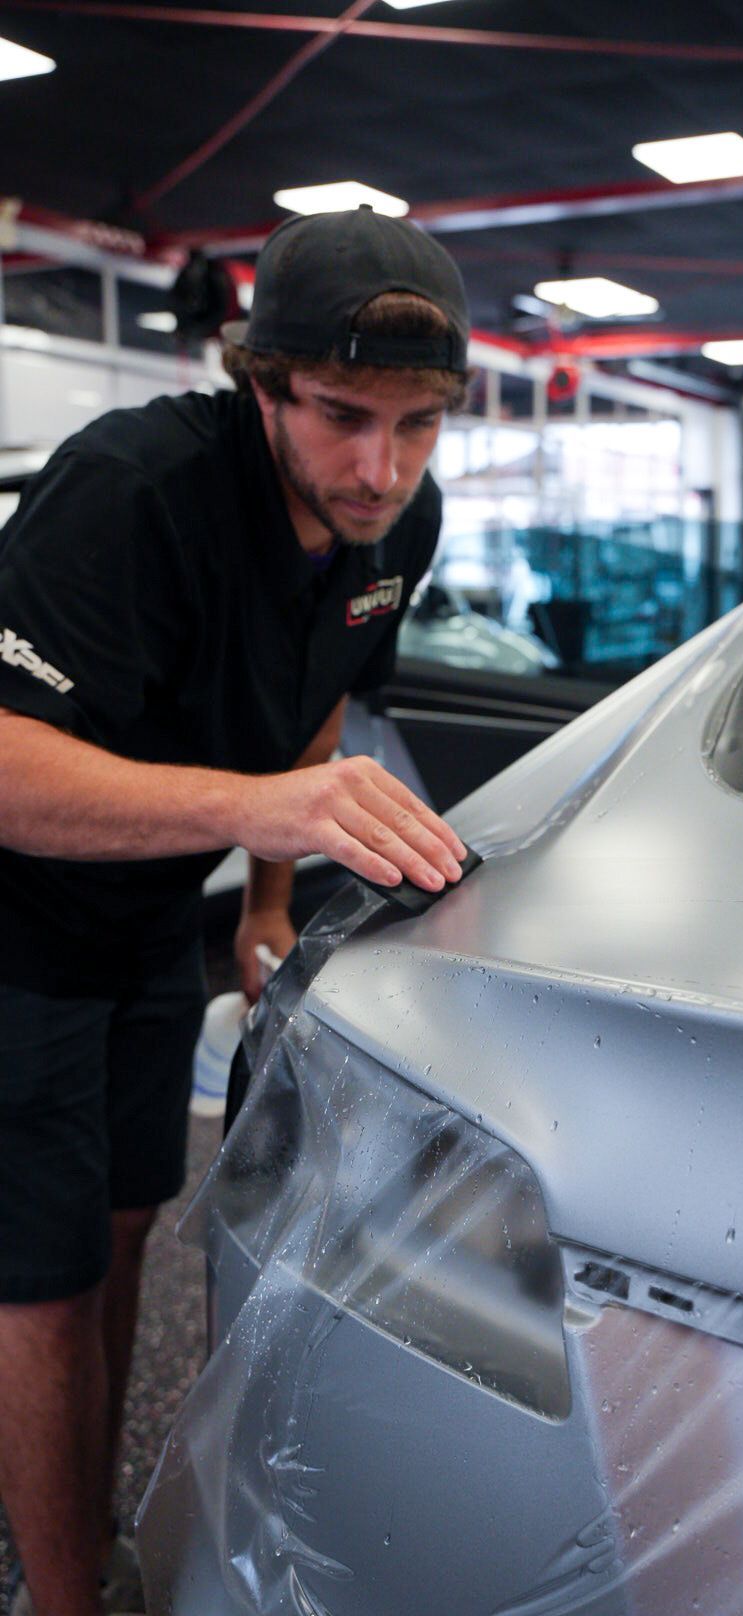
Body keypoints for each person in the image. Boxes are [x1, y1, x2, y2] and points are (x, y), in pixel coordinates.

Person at [0, 205, 472, 1616]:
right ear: (256, 380)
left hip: (153, 924)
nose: (379, 466)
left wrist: (267, 901)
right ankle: (65, 1593)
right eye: (339, 416)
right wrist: (255, 816)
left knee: (131, 1222)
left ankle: (72, 1510)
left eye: (420, 422)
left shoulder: (397, 520)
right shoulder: (128, 493)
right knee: (45, 1284)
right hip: (18, 929)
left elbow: (316, 696)